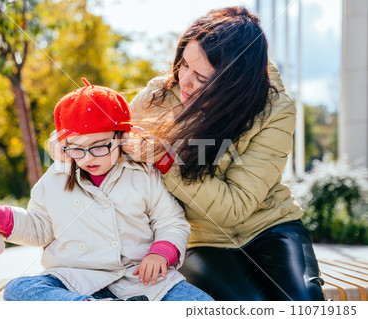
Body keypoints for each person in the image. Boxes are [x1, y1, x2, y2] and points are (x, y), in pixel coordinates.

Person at [123, 7, 325, 301]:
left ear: (235, 83)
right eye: (184, 65)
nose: (186, 81)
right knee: (250, 305)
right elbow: (108, 139)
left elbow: (235, 207)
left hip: (271, 228)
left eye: (202, 78)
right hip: (202, 240)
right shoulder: (158, 98)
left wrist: (166, 161)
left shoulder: (276, 110)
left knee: (304, 304)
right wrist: (72, 139)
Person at [0, 78, 213, 301]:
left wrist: (161, 253)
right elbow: (39, 228)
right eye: (76, 148)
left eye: (99, 146)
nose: (87, 157)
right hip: (74, 279)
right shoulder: (55, 179)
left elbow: (171, 222)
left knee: (201, 305)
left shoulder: (143, 174)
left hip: (138, 278)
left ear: (122, 138)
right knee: (18, 288)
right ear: (64, 146)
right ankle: (85, 307)